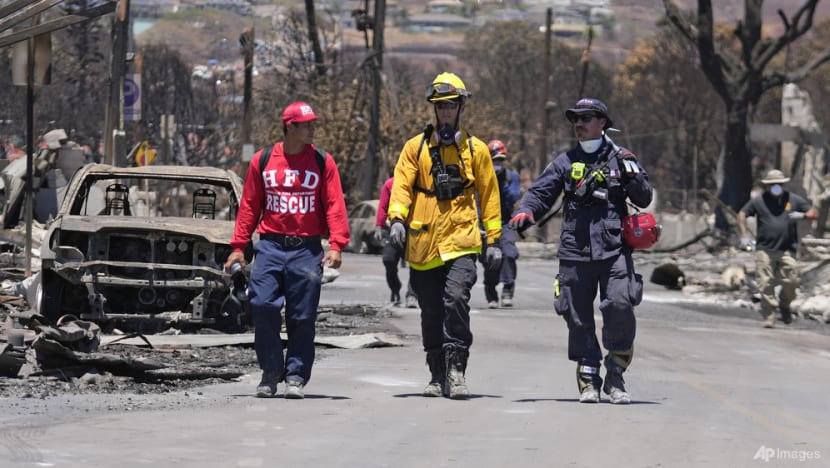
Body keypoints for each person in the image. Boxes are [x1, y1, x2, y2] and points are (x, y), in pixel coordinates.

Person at [508, 98, 653, 405]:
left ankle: (616, 373)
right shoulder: (565, 161)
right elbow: (540, 192)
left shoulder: (621, 158)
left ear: (602, 122)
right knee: (576, 316)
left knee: (619, 304)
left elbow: (643, 198)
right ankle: (588, 377)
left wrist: (632, 174)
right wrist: (527, 211)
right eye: (575, 118)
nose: (579, 123)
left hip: (614, 250)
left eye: (586, 118)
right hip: (575, 251)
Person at [387, 72, 503, 399]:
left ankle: (457, 370)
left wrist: (493, 240)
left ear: (461, 107)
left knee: (455, 299)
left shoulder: (476, 150)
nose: (446, 112)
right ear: (434, 110)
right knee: (431, 312)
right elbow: (401, 185)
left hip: (462, 241)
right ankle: (437, 374)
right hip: (424, 245)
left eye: (451, 105)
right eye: (441, 107)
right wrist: (396, 218)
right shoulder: (415, 148)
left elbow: (490, 195)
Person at [225, 101, 350, 399]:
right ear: (289, 127)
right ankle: (270, 371)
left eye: (313, 123)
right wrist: (239, 247)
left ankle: (295, 375)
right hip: (269, 246)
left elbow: (334, 204)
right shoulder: (263, 160)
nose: (312, 128)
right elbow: (249, 207)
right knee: (263, 305)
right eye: (306, 124)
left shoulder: (322, 161)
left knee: (302, 316)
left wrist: (337, 244)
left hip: (306, 250)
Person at [737, 169, 818, 328]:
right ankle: (769, 315)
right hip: (764, 249)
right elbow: (742, 215)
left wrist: (802, 216)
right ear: (767, 186)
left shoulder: (793, 200)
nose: (775, 187)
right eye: (772, 184)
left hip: (787, 249)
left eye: (778, 184)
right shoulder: (759, 201)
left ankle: (785, 305)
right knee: (765, 283)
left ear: (783, 185)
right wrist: (744, 236)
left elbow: (813, 213)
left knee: (791, 281)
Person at [482, 139, 521, 308]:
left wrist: (502, 184)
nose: (497, 164)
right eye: (494, 160)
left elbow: (514, 197)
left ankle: (508, 288)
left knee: (509, 253)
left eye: (500, 160)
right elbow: (476, 200)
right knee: (489, 258)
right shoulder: (481, 176)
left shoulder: (511, 177)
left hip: (506, 222)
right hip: (486, 223)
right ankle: (491, 293)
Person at [374, 176, 418, 307]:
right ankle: (395, 287)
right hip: (393, 228)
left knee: (416, 264)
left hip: (414, 229)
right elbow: (383, 205)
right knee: (388, 259)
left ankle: (412, 295)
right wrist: (379, 226)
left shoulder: (420, 182)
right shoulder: (390, 184)